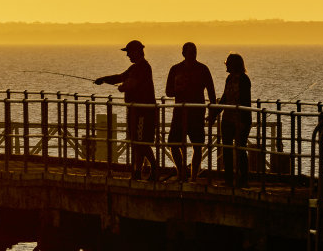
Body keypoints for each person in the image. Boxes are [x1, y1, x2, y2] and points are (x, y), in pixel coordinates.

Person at [94, 39, 158, 179]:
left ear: (137, 52)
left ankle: (154, 168)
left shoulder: (143, 67)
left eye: (129, 52)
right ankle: (137, 172)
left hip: (143, 112)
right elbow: (120, 77)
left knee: (141, 143)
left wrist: (121, 87)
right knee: (136, 142)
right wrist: (104, 79)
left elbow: (129, 84)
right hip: (135, 111)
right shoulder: (134, 68)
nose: (127, 55)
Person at [164, 42, 215, 179]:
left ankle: (193, 176)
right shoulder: (175, 69)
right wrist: (178, 90)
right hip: (179, 112)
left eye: (195, 51)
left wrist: (212, 113)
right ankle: (181, 171)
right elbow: (168, 91)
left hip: (197, 113)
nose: (193, 54)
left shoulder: (203, 69)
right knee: (173, 144)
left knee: (197, 145)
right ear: (183, 53)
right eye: (190, 52)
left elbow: (211, 92)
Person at [217, 53, 252, 186]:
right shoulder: (229, 78)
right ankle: (229, 178)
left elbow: (245, 101)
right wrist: (215, 113)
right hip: (227, 119)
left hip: (240, 119)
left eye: (228, 63)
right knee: (226, 149)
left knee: (241, 149)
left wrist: (244, 121)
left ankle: (243, 179)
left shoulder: (244, 79)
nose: (226, 65)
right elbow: (225, 98)